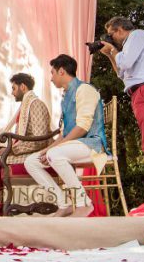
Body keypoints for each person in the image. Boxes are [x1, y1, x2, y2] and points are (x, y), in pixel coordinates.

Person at [23, 54, 108, 217]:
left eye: (52, 73)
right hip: (73, 146)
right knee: (31, 161)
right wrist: (45, 151)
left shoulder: (85, 89)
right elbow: (64, 134)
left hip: (93, 145)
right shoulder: (66, 96)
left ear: (61, 71)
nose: (51, 78)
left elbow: (83, 127)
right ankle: (63, 204)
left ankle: (84, 203)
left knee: (55, 154)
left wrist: (53, 150)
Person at [98, 16, 144, 198]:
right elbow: (122, 74)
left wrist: (113, 51)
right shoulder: (131, 45)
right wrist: (110, 55)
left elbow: (125, 63)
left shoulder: (137, 35)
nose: (110, 38)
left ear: (120, 29)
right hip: (141, 93)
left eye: (111, 34)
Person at [0, 73, 51, 216]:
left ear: (22, 87)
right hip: (25, 151)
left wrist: (11, 149)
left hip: (36, 153)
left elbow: (40, 140)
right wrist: (7, 148)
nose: (12, 92)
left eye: (13, 88)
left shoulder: (36, 105)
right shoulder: (26, 106)